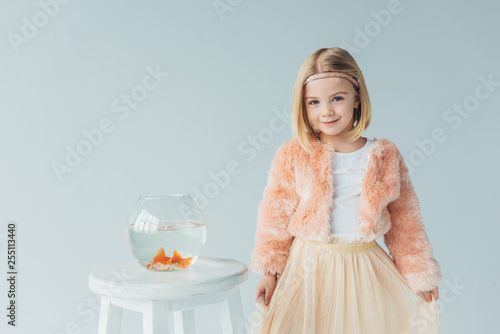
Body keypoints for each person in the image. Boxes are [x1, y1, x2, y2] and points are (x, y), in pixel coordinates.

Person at [249, 47, 442, 334]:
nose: (326, 110)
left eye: (337, 98)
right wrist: (270, 272)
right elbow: (274, 216)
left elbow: (405, 220)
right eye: (314, 102)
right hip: (307, 269)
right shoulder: (294, 154)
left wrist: (420, 274)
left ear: (357, 99)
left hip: (364, 266)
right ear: (303, 107)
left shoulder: (383, 156)